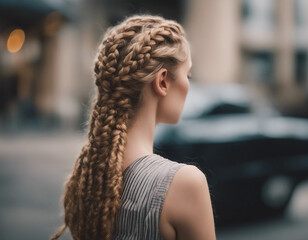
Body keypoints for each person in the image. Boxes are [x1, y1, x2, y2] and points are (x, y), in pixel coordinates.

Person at [51, 14, 216, 240]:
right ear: (163, 82)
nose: (189, 84)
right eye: (187, 74)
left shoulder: (88, 178)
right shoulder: (185, 184)